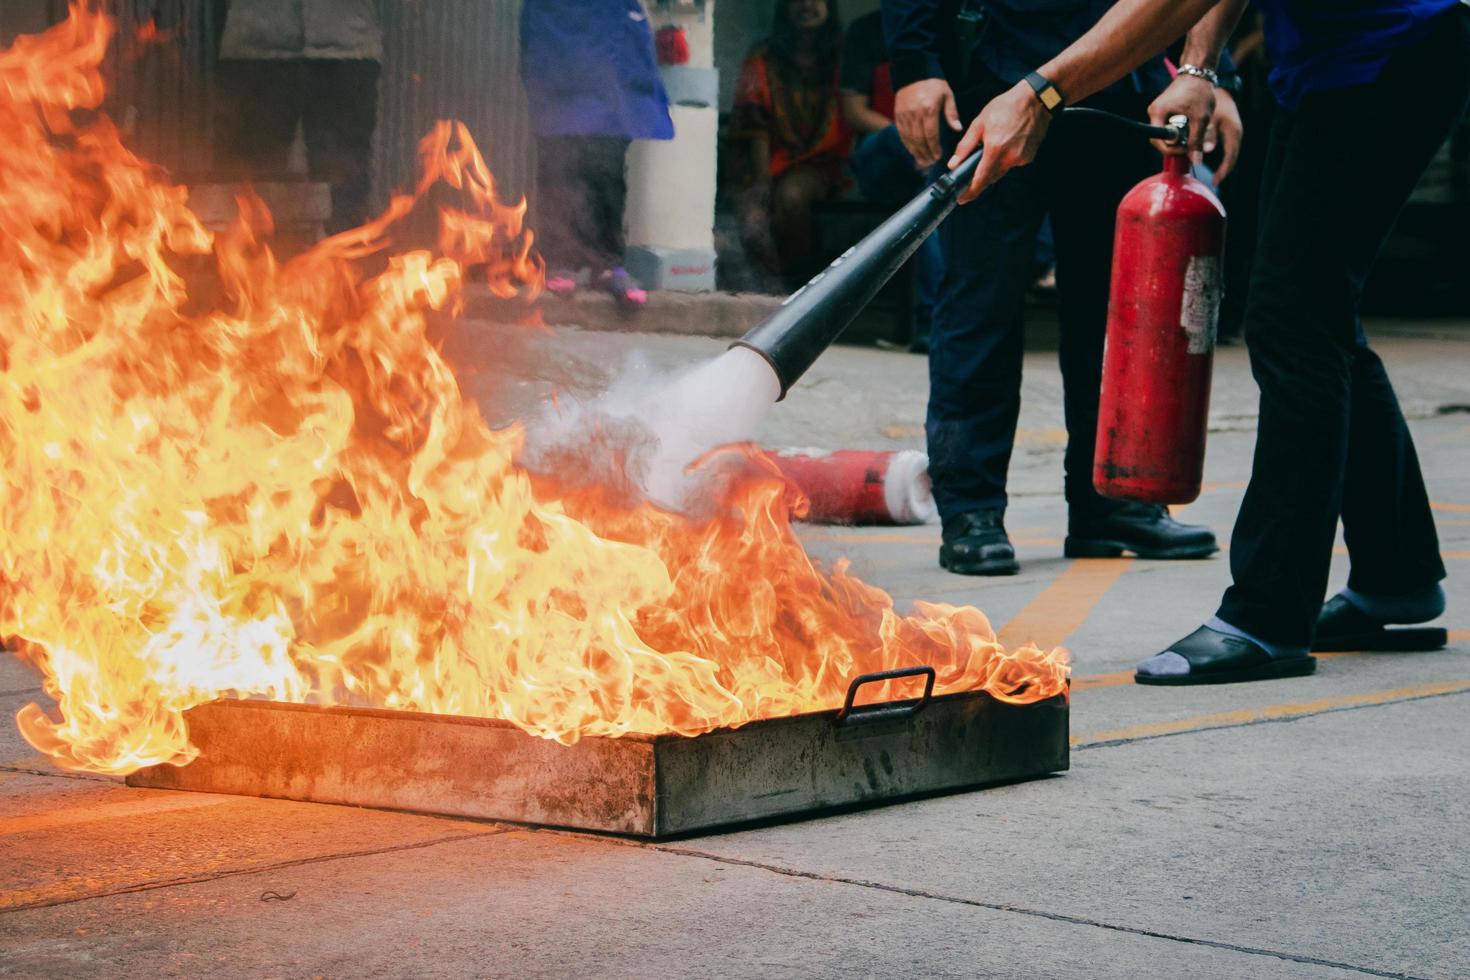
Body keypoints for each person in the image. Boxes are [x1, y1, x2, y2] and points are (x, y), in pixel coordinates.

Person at [946, 0, 1468, 683]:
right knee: (1318, 313)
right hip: (1339, 62)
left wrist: (1041, 92)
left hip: (1388, 54)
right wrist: (1198, 66)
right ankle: (1394, 574)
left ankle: (1268, 616)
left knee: (1295, 319)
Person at [884, 0, 1240, 576]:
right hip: (991, 78)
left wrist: (1208, 74)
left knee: (1119, 313)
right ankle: (972, 509)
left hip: (1122, 83)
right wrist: (915, 63)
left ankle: (1110, 501)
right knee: (980, 305)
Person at [519, 0, 674, 311]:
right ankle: (561, 259)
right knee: (559, 169)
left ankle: (607, 264)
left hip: (611, 65)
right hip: (558, 52)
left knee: (608, 173)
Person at [213, 0, 383, 234]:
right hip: (257, 42)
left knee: (344, 184)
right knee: (249, 184)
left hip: (344, 43)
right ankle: (247, 265)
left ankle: (349, 266)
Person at [840, 10, 942, 352]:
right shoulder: (865, 31)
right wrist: (912, 139)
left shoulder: (950, 25)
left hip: (931, 162)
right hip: (882, 154)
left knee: (933, 199)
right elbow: (854, 110)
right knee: (935, 181)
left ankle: (930, 325)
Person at [733, 0, 852, 289]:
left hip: (825, 164)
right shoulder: (764, 56)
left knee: (791, 196)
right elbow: (753, 123)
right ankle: (767, 293)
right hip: (764, 161)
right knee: (752, 213)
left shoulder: (842, 55)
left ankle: (803, 286)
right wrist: (761, 181)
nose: (807, 5)